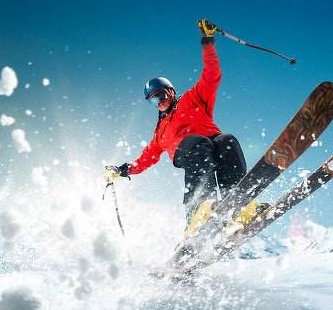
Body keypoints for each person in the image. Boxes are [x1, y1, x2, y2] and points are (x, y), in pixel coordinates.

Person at [106, 19, 247, 238]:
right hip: (188, 150)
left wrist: (208, 42)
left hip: (212, 141)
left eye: (161, 96)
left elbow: (211, 75)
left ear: (171, 91)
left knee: (226, 140)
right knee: (199, 144)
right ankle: (197, 211)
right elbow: (146, 159)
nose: (159, 102)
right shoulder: (161, 131)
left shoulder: (194, 98)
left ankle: (236, 202)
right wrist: (123, 170)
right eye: (153, 101)